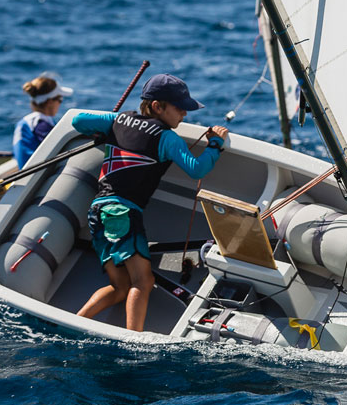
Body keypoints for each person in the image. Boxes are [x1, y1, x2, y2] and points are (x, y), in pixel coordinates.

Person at [71, 74, 229, 332]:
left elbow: (79, 121)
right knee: (142, 283)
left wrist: (105, 129)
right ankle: (134, 339)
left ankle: (75, 323)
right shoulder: (167, 138)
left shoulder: (118, 120)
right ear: (157, 106)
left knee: (120, 287)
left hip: (98, 211)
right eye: (180, 108)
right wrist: (215, 144)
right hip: (122, 214)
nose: (184, 115)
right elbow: (197, 169)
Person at [12, 73, 74, 167]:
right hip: (35, 176)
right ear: (50, 102)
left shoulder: (29, 121)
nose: (60, 103)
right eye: (60, 99)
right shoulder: (40, 124)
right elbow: (56, 150)